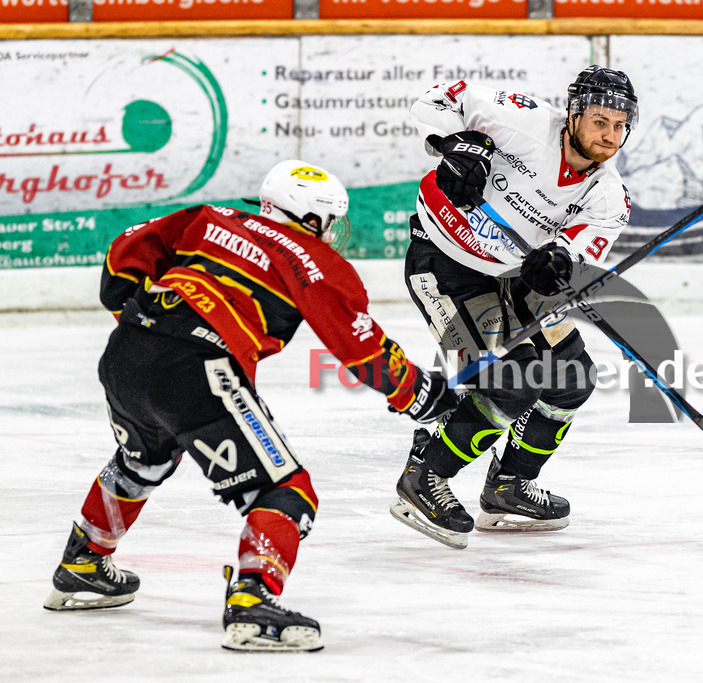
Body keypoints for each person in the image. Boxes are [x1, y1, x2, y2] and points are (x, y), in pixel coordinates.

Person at [42, 160, 457, 651]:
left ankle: (83, 562)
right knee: (286, 490)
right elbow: (360, 349)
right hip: (199, 365)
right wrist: (418, 393)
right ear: (312, 219)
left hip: (127, 352)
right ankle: (252, 605)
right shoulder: (311, 258)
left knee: (142, 460)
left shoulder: (210, 217)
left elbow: (123, 258)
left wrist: (144, 324)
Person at [390, 66, 638, 550]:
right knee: (516, 377)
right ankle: (424, 476)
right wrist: (455, 144)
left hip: (509, 277)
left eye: (618, 126)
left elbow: (576, 256)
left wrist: (560, 264)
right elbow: (434, 101)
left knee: (571, 377)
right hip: (443, 262)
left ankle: (507, 486)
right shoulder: (519, 119)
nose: (609, 136)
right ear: (574, 115)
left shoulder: (609, 197)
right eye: (599, 122)